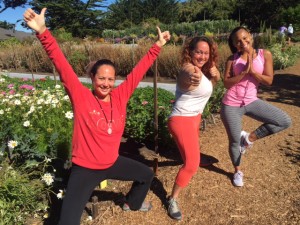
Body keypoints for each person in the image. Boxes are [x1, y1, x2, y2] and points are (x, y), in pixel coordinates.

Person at [23, 8, 171, 225]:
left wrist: (157, 46)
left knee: (146, 175)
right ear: (92, 77)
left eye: (110, 80)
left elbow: (138, 72)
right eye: (101, 78)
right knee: (67, 222)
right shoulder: (81, 96)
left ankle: (132, 203)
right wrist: (43, 32)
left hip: (111, 162)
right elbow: (62, 65)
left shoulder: (120, 96)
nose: (106, 84)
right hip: (85, 169)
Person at [220, 26, 291, 187]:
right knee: (233, 142)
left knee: (284, 121)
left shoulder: (264, 54)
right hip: (231, 103)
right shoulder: (232, 59)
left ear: (250, 37)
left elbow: (269, 80)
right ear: (234, 45)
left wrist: (253, 72)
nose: (242, 42)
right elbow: (226, 83)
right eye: (238, 41)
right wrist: (243, 73)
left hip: (252, 101)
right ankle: (237, 171)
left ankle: (248, 138)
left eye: (245, 38)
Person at [167, 36, 220, 220]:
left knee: (192, 151)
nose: (202, 56)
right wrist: (192, 76)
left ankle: (195, 155)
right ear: (190, 52)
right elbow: (186, 76)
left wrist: (216, 76)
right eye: (198, 51)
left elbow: (205, 88)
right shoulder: (189, 69)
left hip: (193, 118)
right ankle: (172, 199)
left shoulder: (204, 71)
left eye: (206, 53)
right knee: (191, 164)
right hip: (182, 120)